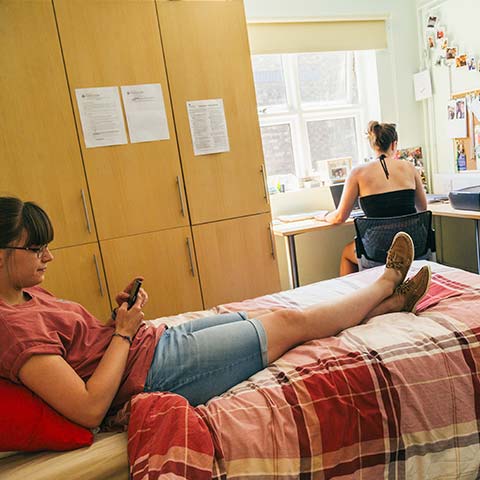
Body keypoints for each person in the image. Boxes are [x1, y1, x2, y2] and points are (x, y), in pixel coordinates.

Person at [0, 197, 431, 429]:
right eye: (36, 249)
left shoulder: (26, 297)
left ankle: (389, 306)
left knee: (262, 315)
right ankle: (385, 282)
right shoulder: (11, 330)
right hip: (152, 370)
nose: (49, 258)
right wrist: (123, 334)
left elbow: (80, 351)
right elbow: (90, 407)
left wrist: (119, 320)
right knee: (287, 324)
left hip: (152, 345)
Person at [324, 121, 428, 276]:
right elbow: (423, 208)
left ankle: (360, 298)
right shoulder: (409, 167)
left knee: (347, 253)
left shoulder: (357, 172)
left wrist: (325, 217)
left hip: (379, 251)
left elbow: (340, 217)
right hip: (413, 245)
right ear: (394, 144)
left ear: (372, 145)